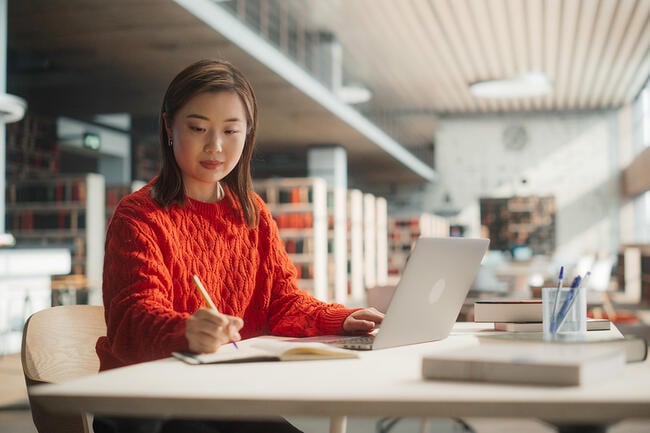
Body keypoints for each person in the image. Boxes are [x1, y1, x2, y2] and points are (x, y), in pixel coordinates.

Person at [93, 58, 384, 433]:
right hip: (146, 403)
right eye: (197, 128)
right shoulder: (140, 215)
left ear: (248, 133)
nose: (214, 146)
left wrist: (339, 318)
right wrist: (185, 332)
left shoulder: (253, 213)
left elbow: (282, 301)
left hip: (221, 395)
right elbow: (131, 318)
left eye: (231, 131)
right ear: (168, 125)